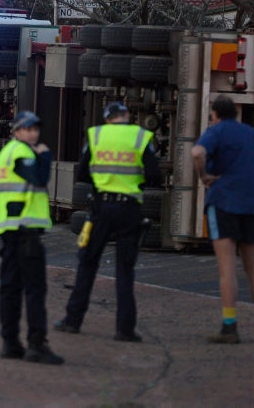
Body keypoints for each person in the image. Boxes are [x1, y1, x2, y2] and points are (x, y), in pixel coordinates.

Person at [54, 100, 161, 342]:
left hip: (101, 208)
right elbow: (154, 175)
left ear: (107, 118)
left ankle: (73, 321)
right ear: (127, 117)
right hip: (129, 209)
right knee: (125, 269)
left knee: (88, 263)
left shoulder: (96, 135)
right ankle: (124, 329)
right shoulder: (140, 137)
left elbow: (82, 173)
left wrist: (102, 182)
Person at [191, 95, 254, 344]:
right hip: (253, 206)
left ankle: (230, 327)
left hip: (225, 203)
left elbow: (197, 153)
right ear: (235, 113)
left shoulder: (216, 131)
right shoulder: (251, 135)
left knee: (227, 268)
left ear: (215, 114)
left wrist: (204, 176)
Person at [0, 109, 64, 364]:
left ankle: (10, 343)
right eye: (28, 129)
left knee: (10, 289)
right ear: (16, 131)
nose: (33, 133)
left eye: (35, 128)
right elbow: (40, 178)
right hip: (26, 233)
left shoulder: (5, 154)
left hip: (9, 231)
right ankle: (36, 345)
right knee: (34, 289)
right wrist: (45, 155)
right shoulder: (23, 153)